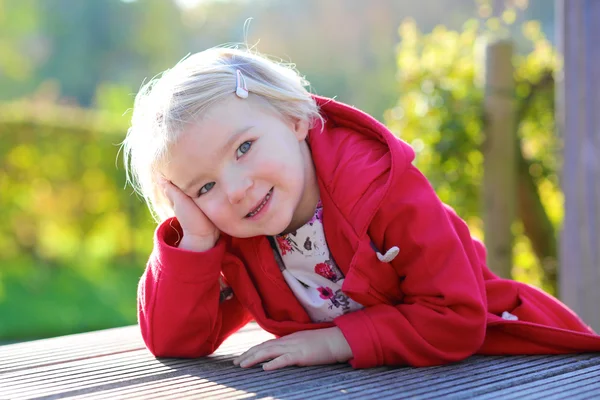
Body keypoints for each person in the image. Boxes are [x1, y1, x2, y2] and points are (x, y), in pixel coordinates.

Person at [123, 46, 600, 371]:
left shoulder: (379, 186)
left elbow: (456, 317)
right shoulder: (228, 230)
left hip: (511, 355)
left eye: (243, 148)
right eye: (202, 186)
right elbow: (175, 343)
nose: (235, 189)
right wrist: (195, 243)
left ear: (294, 118)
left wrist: (336, 341)